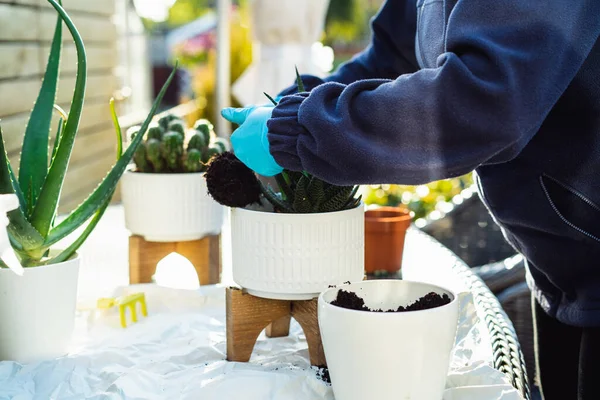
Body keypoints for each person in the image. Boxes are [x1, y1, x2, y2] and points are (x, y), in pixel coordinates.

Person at [221, 1, 600, 398]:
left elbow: (480, 102)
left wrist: (298, 130)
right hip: (559, 267)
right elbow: (393, 58)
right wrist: (288, 107)